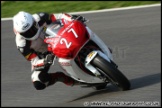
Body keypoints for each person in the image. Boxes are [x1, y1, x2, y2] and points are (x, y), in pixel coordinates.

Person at [13, 11, 86, 90]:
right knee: (38, 81)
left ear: (34, 22)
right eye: (26, 33)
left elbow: (59, 16)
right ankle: (62, 78)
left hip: (58, 37)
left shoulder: (40, 17)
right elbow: (34, 61)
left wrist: (71, 18)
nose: (31, 33)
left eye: (32, 28)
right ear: (20, 33)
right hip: (44, 54)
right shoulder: (21, 44)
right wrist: (44, 61)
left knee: (79, 28)